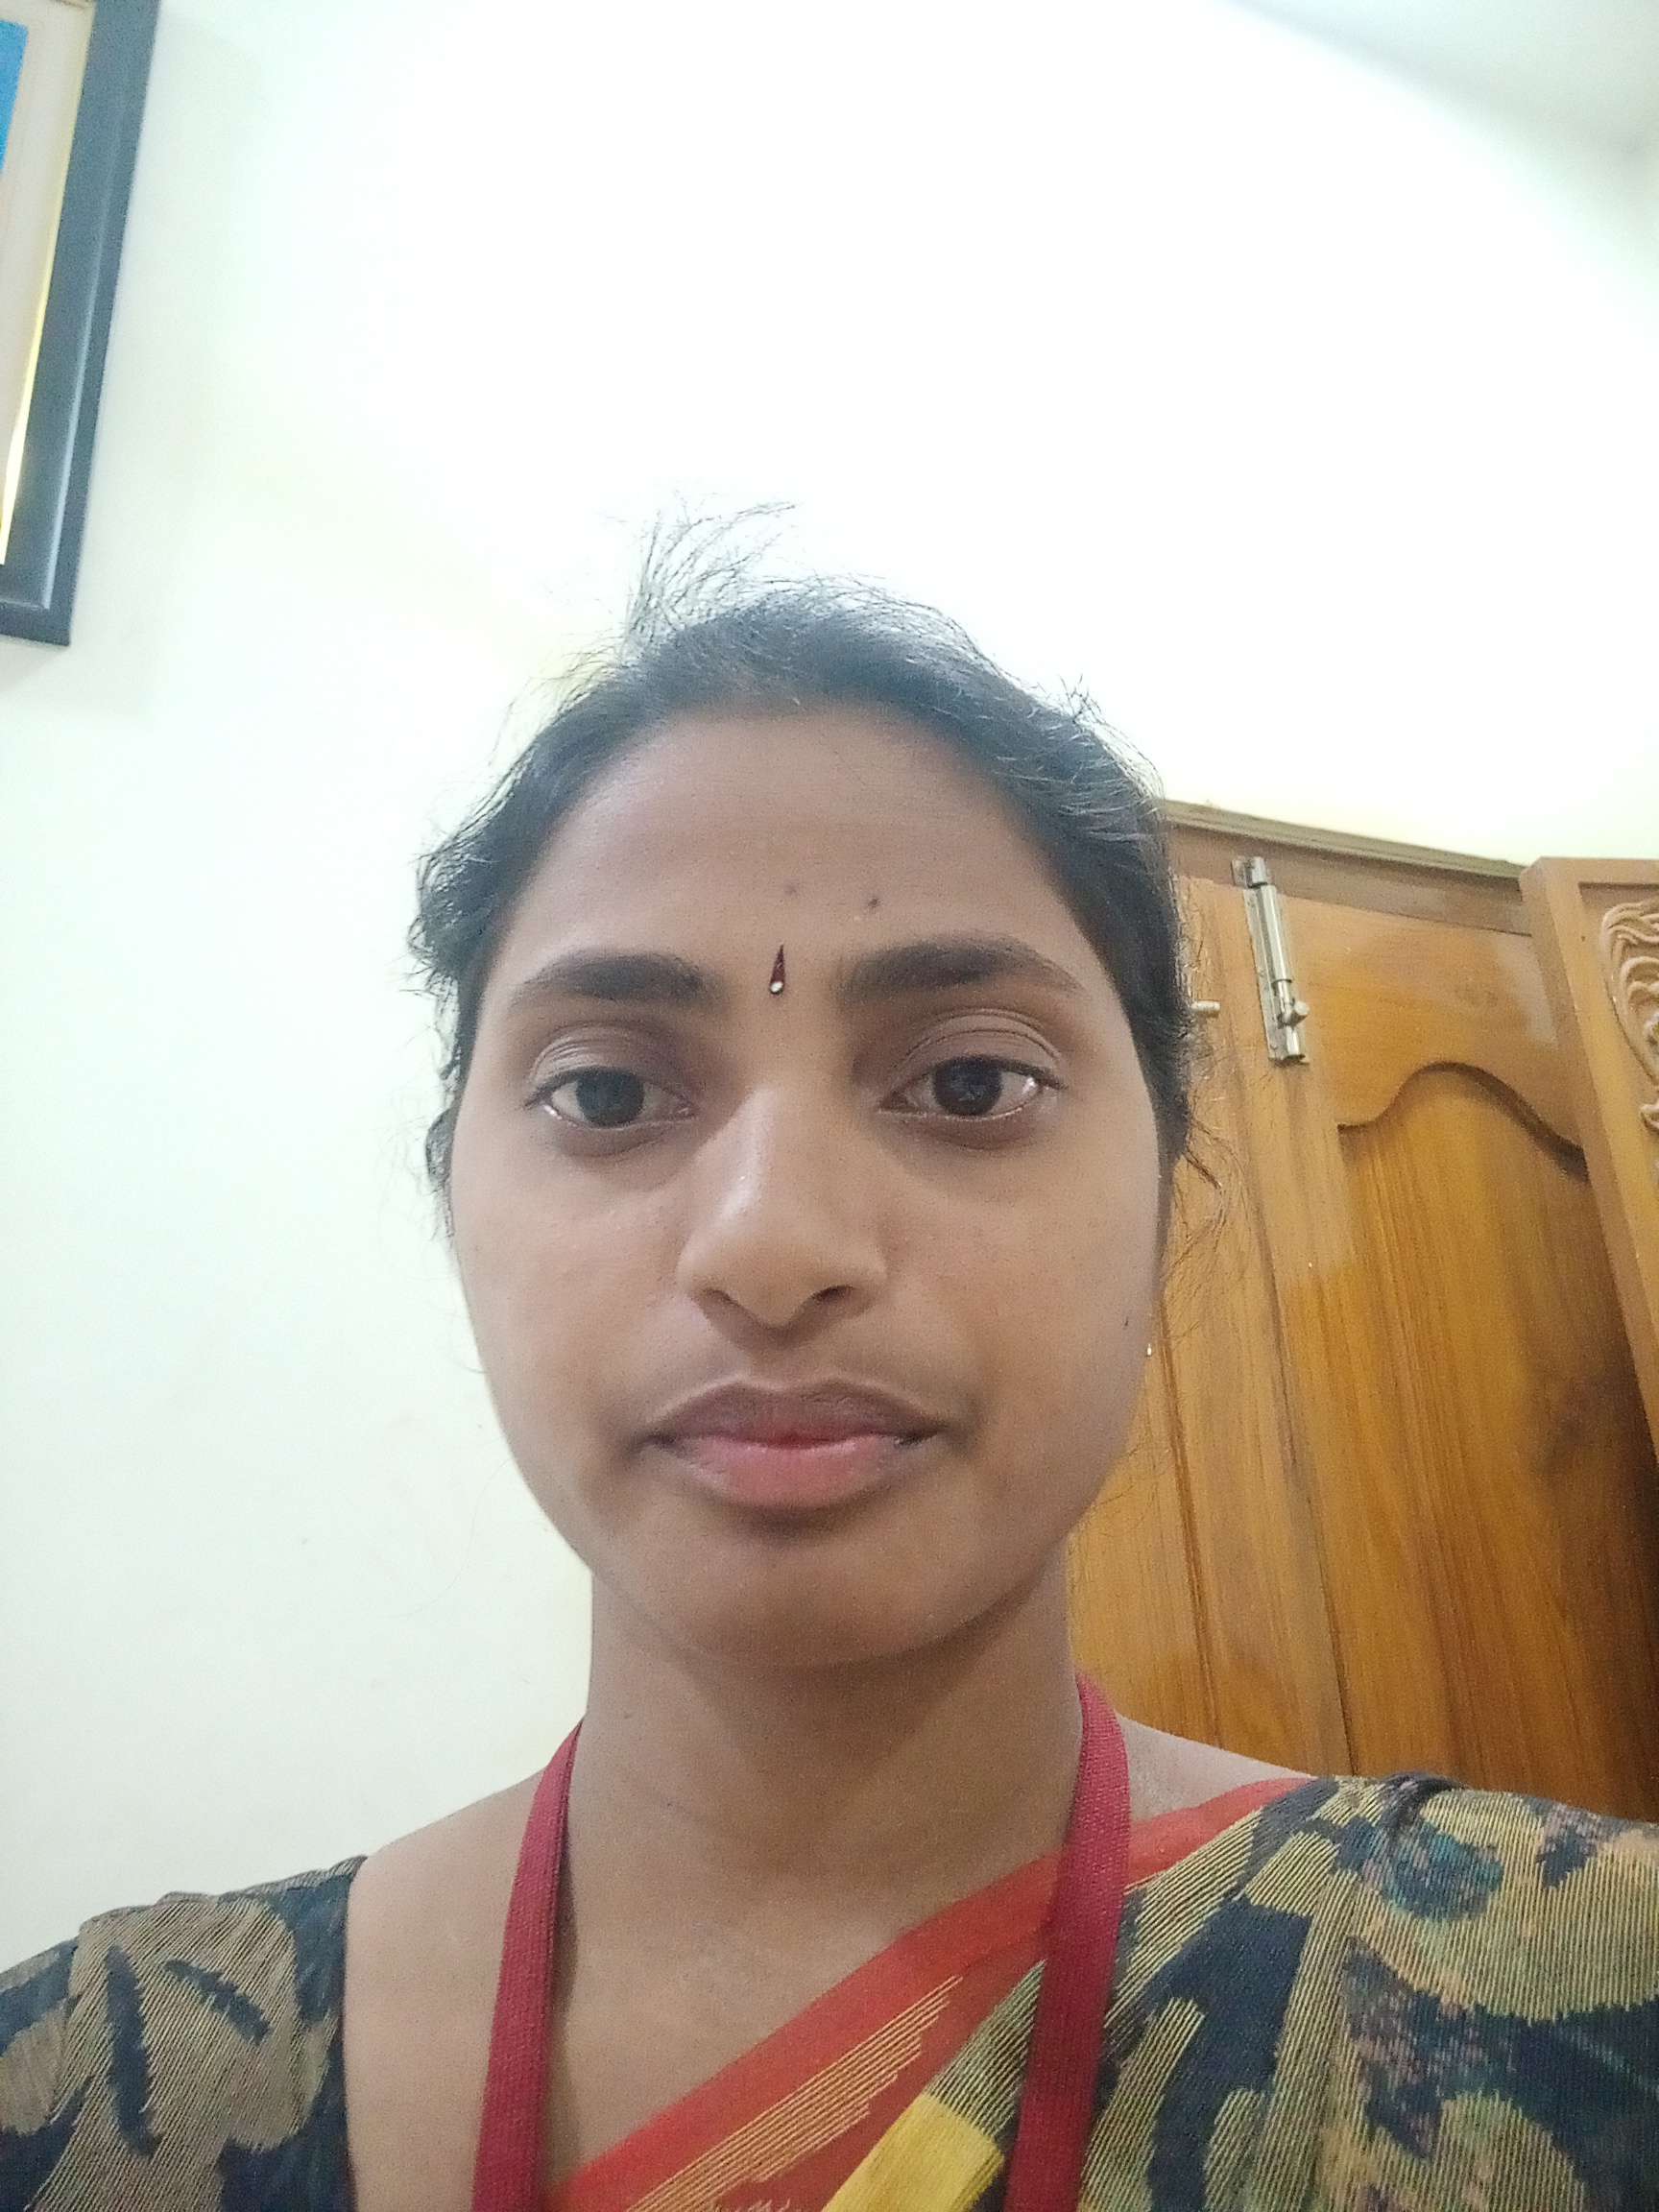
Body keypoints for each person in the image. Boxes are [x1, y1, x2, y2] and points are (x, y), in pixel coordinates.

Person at [5, 539, 1656, 2212]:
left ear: (1168, 1188)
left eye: (968, 1084)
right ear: (454, 1195)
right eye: (606, 1094)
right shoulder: (86, 2102)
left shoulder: (1583, 2014)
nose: (772, 1243)